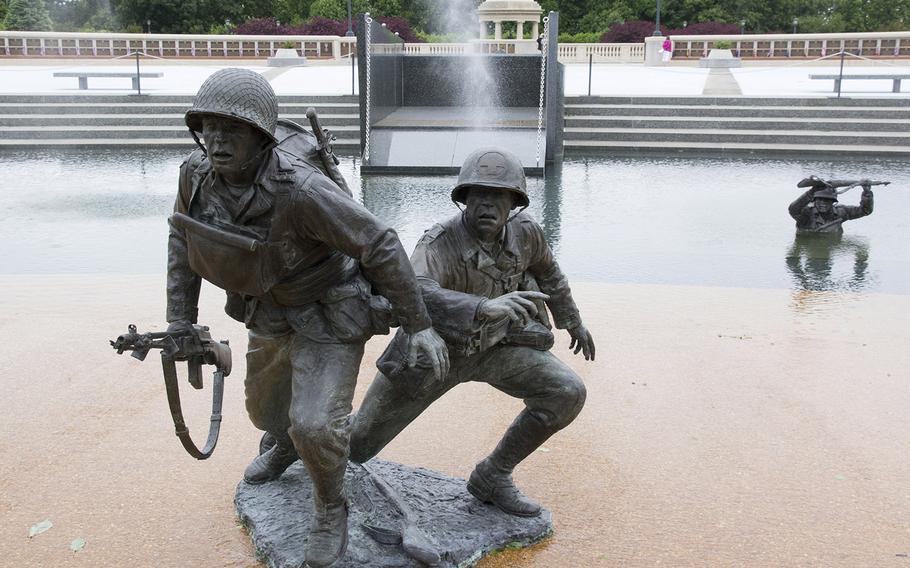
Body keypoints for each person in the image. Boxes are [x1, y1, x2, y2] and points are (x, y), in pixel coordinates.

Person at [166, 68, 448, 568]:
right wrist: (180, 321)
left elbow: (379, 241)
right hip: (266, 309)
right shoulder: (195, 175)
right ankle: (288, 447)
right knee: (267, 417)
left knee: (315, 424)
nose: (216, 139)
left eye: (231, 129)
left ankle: (329, 505)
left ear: (260, 137)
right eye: (207, 126)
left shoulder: (302, 189)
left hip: (329, 309)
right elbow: (181, 238)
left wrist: (418, 323)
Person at [350, 147, 595, 518]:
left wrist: (572, 321)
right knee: (356, 446)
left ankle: (492, 476)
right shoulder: (440, 242)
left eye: (498, 197)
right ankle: (290, 438)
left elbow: (551, 276)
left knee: (566, 392)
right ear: (465, 200)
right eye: (478, 196)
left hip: (498, 347)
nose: (487, 206)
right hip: (435, 354)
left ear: (514, 202)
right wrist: (482, 307)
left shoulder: (528, 234)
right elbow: (413, 288)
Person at [789, 177, 874, 234]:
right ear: (814, 200)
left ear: (833, 202)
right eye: (819, 200)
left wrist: (867, 193)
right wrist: (811, 192)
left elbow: (865, 211)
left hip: (830, 251)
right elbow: (793, 209)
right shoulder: (806, 213)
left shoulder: (841, 212)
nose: (823, 203)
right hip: (811, 253)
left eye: (827, 200)